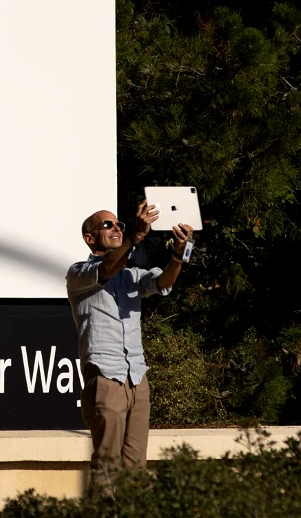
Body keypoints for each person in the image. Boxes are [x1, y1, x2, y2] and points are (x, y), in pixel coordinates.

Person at [65, 201, 194, 491]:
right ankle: (101, 511)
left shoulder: (131, 276)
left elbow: (163, 282)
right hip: (106, 376)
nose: (116, 228)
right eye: (107, 225)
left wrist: (180, 253)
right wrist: (135, 237)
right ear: (89, 238)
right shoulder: (78, 273)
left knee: (136, 469)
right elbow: (106, 270)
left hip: (137, 378)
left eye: (119, 225)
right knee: (108, 467)